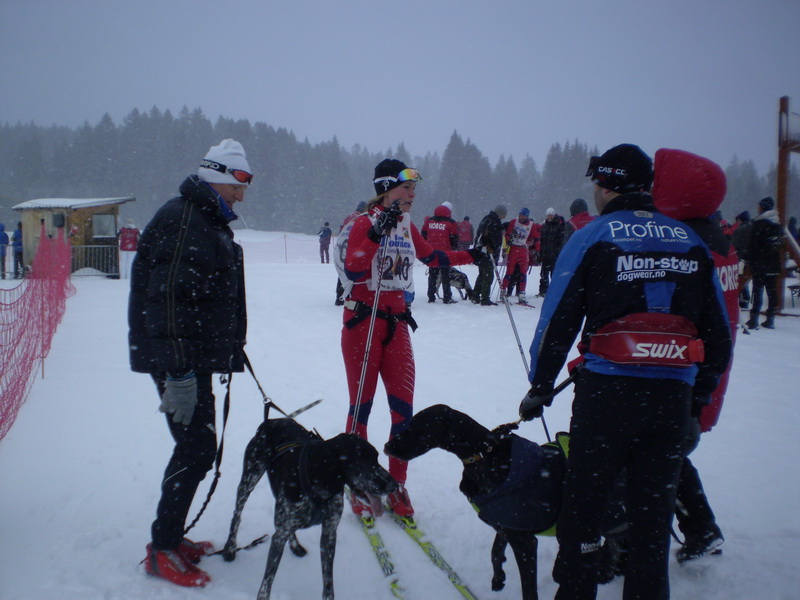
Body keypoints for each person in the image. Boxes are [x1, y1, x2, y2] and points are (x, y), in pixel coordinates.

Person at [519, 144, 732, 600]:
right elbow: (719, 335)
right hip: (670, 402)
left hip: (608, 395)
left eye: (595, 182)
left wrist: (540, 384)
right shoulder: (689, 239)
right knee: (652, 524)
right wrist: (696, 404)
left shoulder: (594, 235)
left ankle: (576, 590)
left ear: (605, 184)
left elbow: (557, 320)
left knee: (584, 510)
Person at [128, 139, 253, 588]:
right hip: (176, 358)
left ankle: (171, 538)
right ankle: (162, 549)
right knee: (196, 449)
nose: (243, 191)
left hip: (189, 355)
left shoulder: (202, 218)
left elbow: (202, 299)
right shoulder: (185, 220)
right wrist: (178, 372)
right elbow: (167, 304)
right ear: (217, 176)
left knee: (197, 448)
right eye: (239, 180)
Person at [338, 158, 486, 517]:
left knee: (403, 410)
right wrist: (376, 233)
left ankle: (396, 483)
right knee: (362, 408)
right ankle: (358, 481)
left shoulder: (405, 224)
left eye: (415, 188)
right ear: (386, 189)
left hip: (397, 325)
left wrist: (472, 255)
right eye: (407, 188)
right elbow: (355, 266)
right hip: (363, 324)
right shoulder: (363, 222)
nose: (413, 195)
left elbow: (432, 256)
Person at [652, 147, 740, 563]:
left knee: (656, 453)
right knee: (665, 453)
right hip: (706, 371)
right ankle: (699, 527)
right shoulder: (717, 239)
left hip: (687, 371)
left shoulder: (690, 248)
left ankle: (697, 528)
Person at [744, 197, 784, 330]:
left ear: (762, 207)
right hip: (773, 263)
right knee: (772, 291)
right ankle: (770, 318)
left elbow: (753, 245)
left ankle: (754, 319)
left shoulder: (759, 224)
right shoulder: (777, 225)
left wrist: (749, 258)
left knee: (758, 291)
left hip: (760, 263)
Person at [422, 204, 459, 303]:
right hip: (445, 253)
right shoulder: (451, 223)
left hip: (432, 252)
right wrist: (453, 248)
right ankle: (447, 297)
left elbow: (423, 234)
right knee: (445, 275)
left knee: (432, 275)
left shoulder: (429, 221)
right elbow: (454, 238)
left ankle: (431, 296)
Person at [499, 207, 537, 304]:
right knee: (509, 272)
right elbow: (507, 234)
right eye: (520, 215)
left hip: (523, 250)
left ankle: (522, 294)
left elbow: (535, 237)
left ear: (527, 216)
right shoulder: (514, 221)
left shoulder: (531, 225)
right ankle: (503, 293)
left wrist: (536, 249)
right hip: (513, 249)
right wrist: (508, 239)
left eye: (523, 216)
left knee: (523, 273)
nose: (521, 217)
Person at [472, 205, 507, 305]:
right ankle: (484, 298)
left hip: (484, 252)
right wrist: (489, 244)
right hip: (486, 252)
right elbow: (484, 235)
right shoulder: (492, 221)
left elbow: (491, 231)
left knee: (482, 274)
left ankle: (475, 295)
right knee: (488, 275)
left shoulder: (490, 219)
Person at [334, 201, 367, 306]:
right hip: (354, 249)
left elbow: (342, 232)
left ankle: (339, 296)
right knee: (354, 273)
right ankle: (352, 297)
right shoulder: (362, 218)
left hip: (344, 248)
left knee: (342, 273)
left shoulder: (349, 217)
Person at [537, 207, 565, 296]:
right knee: (544, 275)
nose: (549, 217)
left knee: (554, 275)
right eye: (548, 215)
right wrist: (540, 254)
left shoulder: (558, 226)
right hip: (545, 254)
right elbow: (542, 241)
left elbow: (560, 241)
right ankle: (543, 291)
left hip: (554, 254)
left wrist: (557, 252)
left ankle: (554, 292)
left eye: (551, 215)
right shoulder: (545, 226)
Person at [731, 211, 753, 309]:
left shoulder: (740, 230)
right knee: (745, 280)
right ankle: (745, 299)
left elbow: (734, 245)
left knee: (739, 279)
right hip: (751, 258)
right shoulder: (753, 227)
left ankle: (742, 299)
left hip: (741, 258)